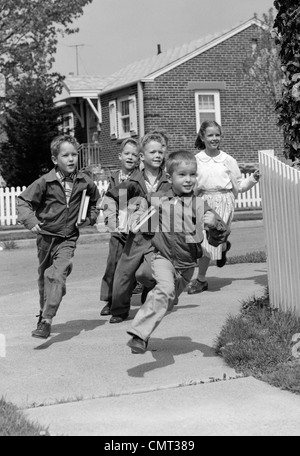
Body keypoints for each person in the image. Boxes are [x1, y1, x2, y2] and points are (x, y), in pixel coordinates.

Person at [126, 150, 229, 354]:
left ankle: (153, 312)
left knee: (167, 301)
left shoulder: (199, 205)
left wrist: (216, 225)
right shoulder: (158, 199)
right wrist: (136, 215)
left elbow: (218, 239)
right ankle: (139, 334)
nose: (188, 179)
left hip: (186, 267)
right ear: (169, 176)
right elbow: (140, 208)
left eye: (192, 174)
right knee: (164, 289)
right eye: (182, 174)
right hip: (162, 257)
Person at [17, 135, 100, 339]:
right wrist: (31, 221)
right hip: (45, 237)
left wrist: (89, 219)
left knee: (55, 276)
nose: (71, 159)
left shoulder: (85, 182)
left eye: (74, 155)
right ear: (55, 159)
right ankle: (43, 311)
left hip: (67, 238)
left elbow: (96, 204)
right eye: (66, 155)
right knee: (45, 278)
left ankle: (46, 321)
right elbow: (23, 202)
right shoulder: (45, 181)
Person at [101, 131, 171, 323]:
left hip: (159, 237)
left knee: (148, 273)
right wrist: (113, 221)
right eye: (152, 152)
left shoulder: (169, 181)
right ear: (142, 156)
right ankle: (119, 310)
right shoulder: (133, 182)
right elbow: (110, 198)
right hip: (137, 236)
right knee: (123, 274)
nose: (157, 156)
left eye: (160, 152)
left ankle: (150, 291)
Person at [188, 120, 261, 295]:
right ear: (202, 137)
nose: (214, 138)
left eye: (217, 135)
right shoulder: (196, 160)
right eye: (210, 135)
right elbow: (189, 183)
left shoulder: (228, 160)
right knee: (201, 243)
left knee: (209, 244)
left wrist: (253, 179)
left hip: (224, 201)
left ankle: (201, 279)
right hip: (203, 201)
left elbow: (240, 186)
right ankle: (222, 247)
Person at [99, 138, 140, 316]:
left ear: (139, 158)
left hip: (135, 227)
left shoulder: (140, 177)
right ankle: (109, 299)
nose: (130, 157)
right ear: (120, 156)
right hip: (117, 226)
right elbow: (108, 200)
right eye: (127, 153)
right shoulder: (114, 178)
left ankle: (124, 298)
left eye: (134, 154)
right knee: (113, 263)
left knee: (130, 266)